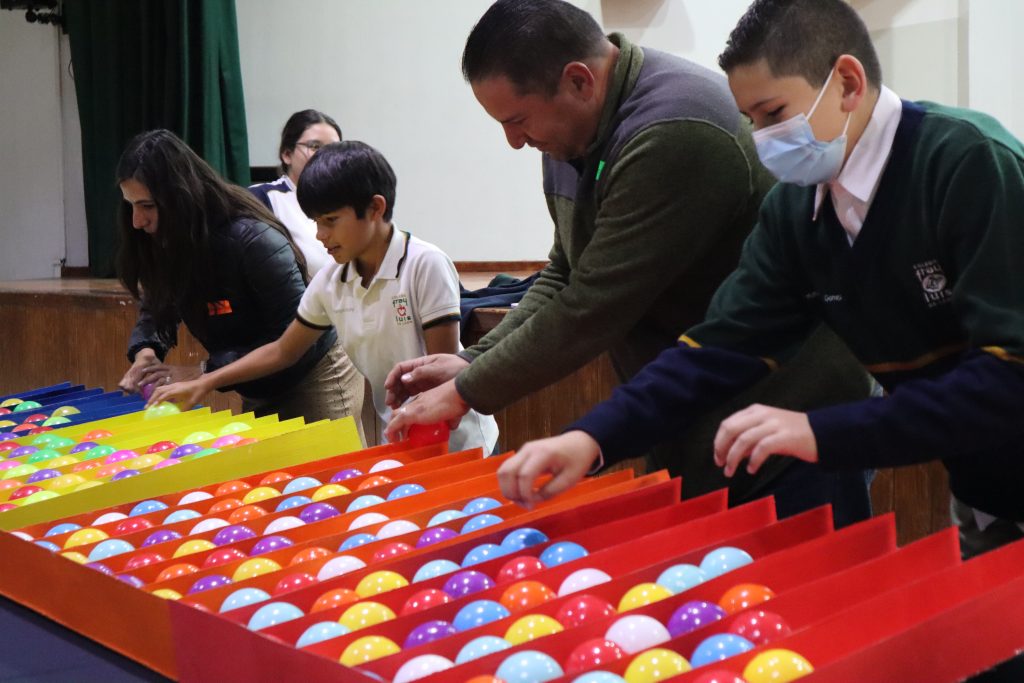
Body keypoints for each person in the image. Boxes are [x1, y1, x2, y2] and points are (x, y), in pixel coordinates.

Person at [495, 0, 1024, 558]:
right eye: (751, 120)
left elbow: (1011, 376)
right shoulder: (798, 210)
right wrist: (593, 437)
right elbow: (718, 349)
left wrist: (823, 430)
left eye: (774, 114)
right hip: (986, 493)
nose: (763, 139)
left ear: (847, 83)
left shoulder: (968, 164)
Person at [384, 0, 872, 523]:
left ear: (578, 81)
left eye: (518, 120)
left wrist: (469, 389)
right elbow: (565, 272)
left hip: (789, 413)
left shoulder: (674, 130)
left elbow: (594, 304)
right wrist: (471, 361)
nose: (515, 142)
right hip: (695, 411)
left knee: (799, 567)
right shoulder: (570, 137)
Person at [148, 141, 499, 454]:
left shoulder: (425, 263)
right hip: (401, 437)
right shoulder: (331, 281)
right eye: (315, 221)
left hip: (460, 443)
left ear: (375, 208)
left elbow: (439, 372)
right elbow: (282, 351)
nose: (320, 235)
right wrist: (205, 382)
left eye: (331, 220)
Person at [116, 129, 362, 436]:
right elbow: (158, 301)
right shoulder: (169, 236)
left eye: (148, 206)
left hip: (313, 373)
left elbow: (292, 341)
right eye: (130, 205)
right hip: (257, 378)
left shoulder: (252, 239)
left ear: (180, 195)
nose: (137, 221)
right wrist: (146, 353)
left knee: (322, 461)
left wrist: (204, 373)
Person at [250, 109, 342, 276]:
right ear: (287, 154)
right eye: (315, 146)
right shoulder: (261, 198)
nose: (325, 156)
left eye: (334, 149)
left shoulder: (348, 200)